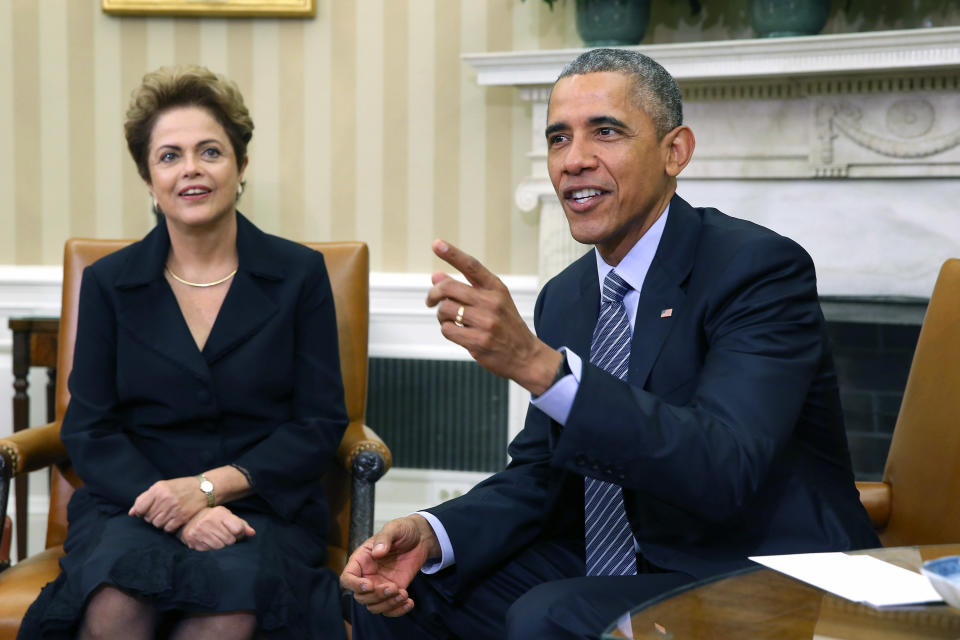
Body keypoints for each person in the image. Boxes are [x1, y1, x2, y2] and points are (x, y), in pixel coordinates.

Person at [341, 48, 880, 640]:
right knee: (403, 593)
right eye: (558, 138)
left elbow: (726, 466)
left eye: (605, 132)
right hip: (617, 557)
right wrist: (433, 531)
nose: (574, 160)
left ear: (675, 151)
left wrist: (542, 369)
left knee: (548, 615)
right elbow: (544, 475)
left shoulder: (756, 269)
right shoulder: (566, 296)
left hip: (755, 567)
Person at [18, 65, 349, 640]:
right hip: (134, 503)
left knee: (227, 615)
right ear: (148, 179)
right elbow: (91, 430)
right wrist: (171, 505)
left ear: (241, 167)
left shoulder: (298, 275)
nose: (190, 169)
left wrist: (206, 490)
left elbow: (318, 423)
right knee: (115, 607)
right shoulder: (109, 283)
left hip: (260, 505)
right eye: (169, 156)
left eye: (210, 152)